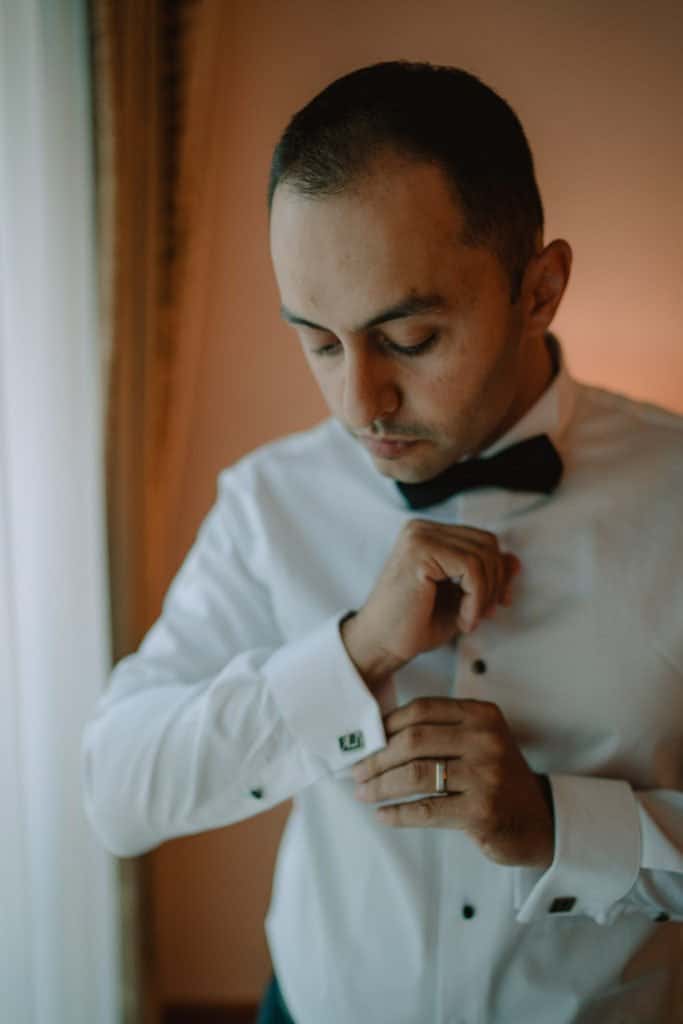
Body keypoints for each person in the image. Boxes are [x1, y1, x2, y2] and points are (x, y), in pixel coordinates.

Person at [82, 61, 683, 1023]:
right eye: (318, 342)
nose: (359, 407)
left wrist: (563, 826)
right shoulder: (269, 502)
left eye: (406, 338)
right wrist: (353, 654)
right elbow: (118, 791)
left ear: (540, 289)